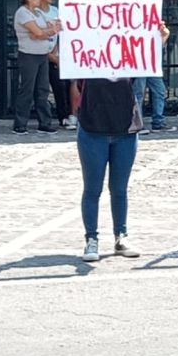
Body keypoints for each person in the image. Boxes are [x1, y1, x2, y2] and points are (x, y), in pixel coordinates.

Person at [76, 77, 143, 262]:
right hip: (92, 128)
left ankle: (121, 236)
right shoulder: (87, 59)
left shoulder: (130, 57)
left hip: (125, 128)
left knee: (120, 189)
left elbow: (149, 52)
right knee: (92, 189)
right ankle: (91, 239)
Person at [11, 0, 59, 135]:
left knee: (42, 90)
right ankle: (20, 123)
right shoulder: (23, 13)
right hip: (29, 55)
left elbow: (51, 27)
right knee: (27, 89)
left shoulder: (38, 13)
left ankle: (44, 123)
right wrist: (47, 32)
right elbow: (37, 32)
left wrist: (45, 32)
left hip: (42, 54)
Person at [130, 0, 177, 134]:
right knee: (138, 91)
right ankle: (138, 123)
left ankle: (158, 121)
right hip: (138, 58)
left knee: (159, 90)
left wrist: (163, 33)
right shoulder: (130, 12)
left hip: (151, 58)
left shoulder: (152, 13)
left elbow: (157, 35)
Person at [37, 0, 72, 129]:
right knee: (41, 89)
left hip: (55, 52)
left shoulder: (55, 10)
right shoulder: (36, 13)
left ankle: (64, 116)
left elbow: (60, 33)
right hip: (40, 53)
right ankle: (43, 120)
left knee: (61, 86)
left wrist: (55, 52)